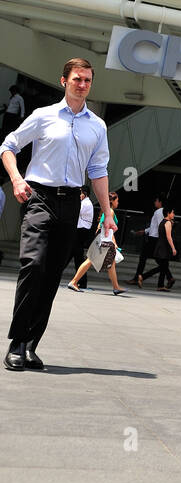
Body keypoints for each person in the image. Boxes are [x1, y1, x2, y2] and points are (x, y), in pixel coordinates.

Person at [1, 57, 113, 371]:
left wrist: (107, 213)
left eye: (87, 80)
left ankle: (31, 345)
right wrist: (17, 179)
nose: (82, 84)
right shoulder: (43, 116)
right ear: (64, 81)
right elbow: (8, 146)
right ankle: (16, 342)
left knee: (51, 275)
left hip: (72, 203)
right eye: (77, 79)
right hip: (39, 197)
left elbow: (98, 170)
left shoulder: (97, 126)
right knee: (33, 265)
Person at [68, 192, 128, 295]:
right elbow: (106, 227)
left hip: (104, 240)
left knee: (110, 263)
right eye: (117, 200)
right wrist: (112, 241)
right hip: (105, 241)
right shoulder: (110, 211)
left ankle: (116, 287)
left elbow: (102, 227)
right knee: (90, 261)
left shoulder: (107, 211)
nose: (118, 203)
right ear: (112, 201)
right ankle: (74, 282)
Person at [68, 188, 95, 290]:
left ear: (85, 194)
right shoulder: (85, 202)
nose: (79, 196)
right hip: (80, 231)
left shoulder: (85, 203)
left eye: (80, 193)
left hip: (81, 231)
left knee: (76, 255)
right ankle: (81, 281)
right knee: (76, 255)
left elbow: (75, 211)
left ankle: (82, 281)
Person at [133, 196, 163, 286]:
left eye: (156, 200)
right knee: (160, 261)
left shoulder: (159, 212)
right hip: (154, 238)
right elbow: (155, 227)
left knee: (145, 258)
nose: (155, 202)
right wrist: (145, 231)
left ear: (160, 202)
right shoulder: (160, 212)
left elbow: (161, 226)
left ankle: (139, 277)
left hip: (154, 239)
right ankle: (139, 277)